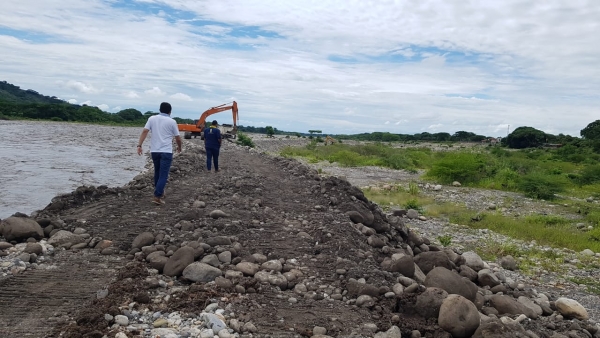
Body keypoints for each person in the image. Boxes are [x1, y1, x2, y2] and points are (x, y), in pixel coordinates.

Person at [137, 102, 182, 205]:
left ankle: (160, 192)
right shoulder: (172, 121)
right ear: (170, 111)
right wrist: (179, 147)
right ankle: (157, 196)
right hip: (166, 151)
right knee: (163, 175)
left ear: (159, 109)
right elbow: (178, 138)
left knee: (157, 172)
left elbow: (145, 131)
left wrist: (139, 145)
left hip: (155, 150)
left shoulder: (152, 119)